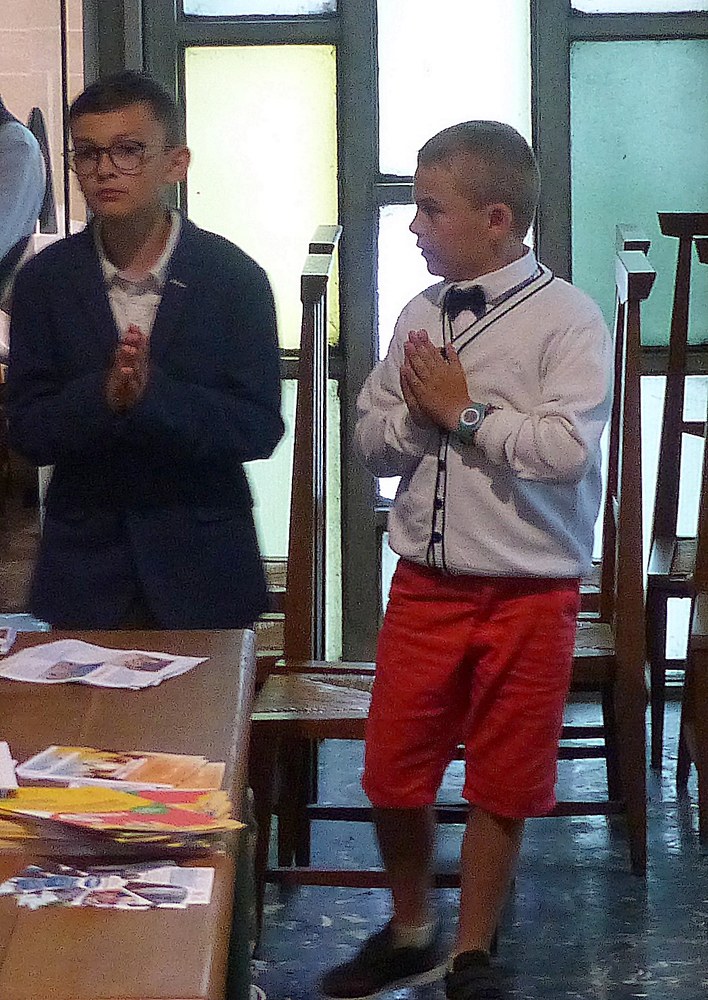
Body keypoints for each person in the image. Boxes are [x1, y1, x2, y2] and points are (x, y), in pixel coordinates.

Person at [320, 121, 612, 1000]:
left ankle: (472, 950)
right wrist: (417, 417)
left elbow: (566, 450)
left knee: (504, 777)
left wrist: (465, 413)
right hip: (426, 585)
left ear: (496, 219)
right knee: (391, 767)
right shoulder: (418, 314)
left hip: (530, 591)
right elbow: (370, 441)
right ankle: (412, 926)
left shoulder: (569, 319)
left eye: (429, 209)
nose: (413, 226)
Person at [7, 71, 284, 629]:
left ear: (176, 163)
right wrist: (102, 396)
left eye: (128, 150)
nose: (104, 169)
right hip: (84, 567)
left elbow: (258, 428)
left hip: (203, 561)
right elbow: (28, 431)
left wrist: (154, 397)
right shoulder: (44, 281)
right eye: (87, 153)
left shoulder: (233, 278)